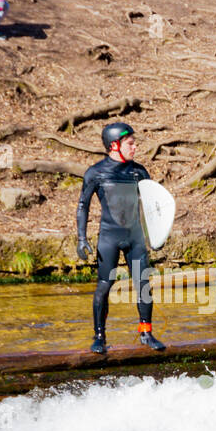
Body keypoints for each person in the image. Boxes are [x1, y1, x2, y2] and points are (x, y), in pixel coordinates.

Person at [76, 122, 165, 354]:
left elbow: (153, 205)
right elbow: (83, 206)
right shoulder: (95, 172)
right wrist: (81, 238)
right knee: (104, 287)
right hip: (109, 237)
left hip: (135, 238)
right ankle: (99, 337)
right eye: (130, 143)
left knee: (143, 284)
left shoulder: (139, 172)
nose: (135, 147)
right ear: (114, 145)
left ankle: (146, 333)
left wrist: (159, 233)